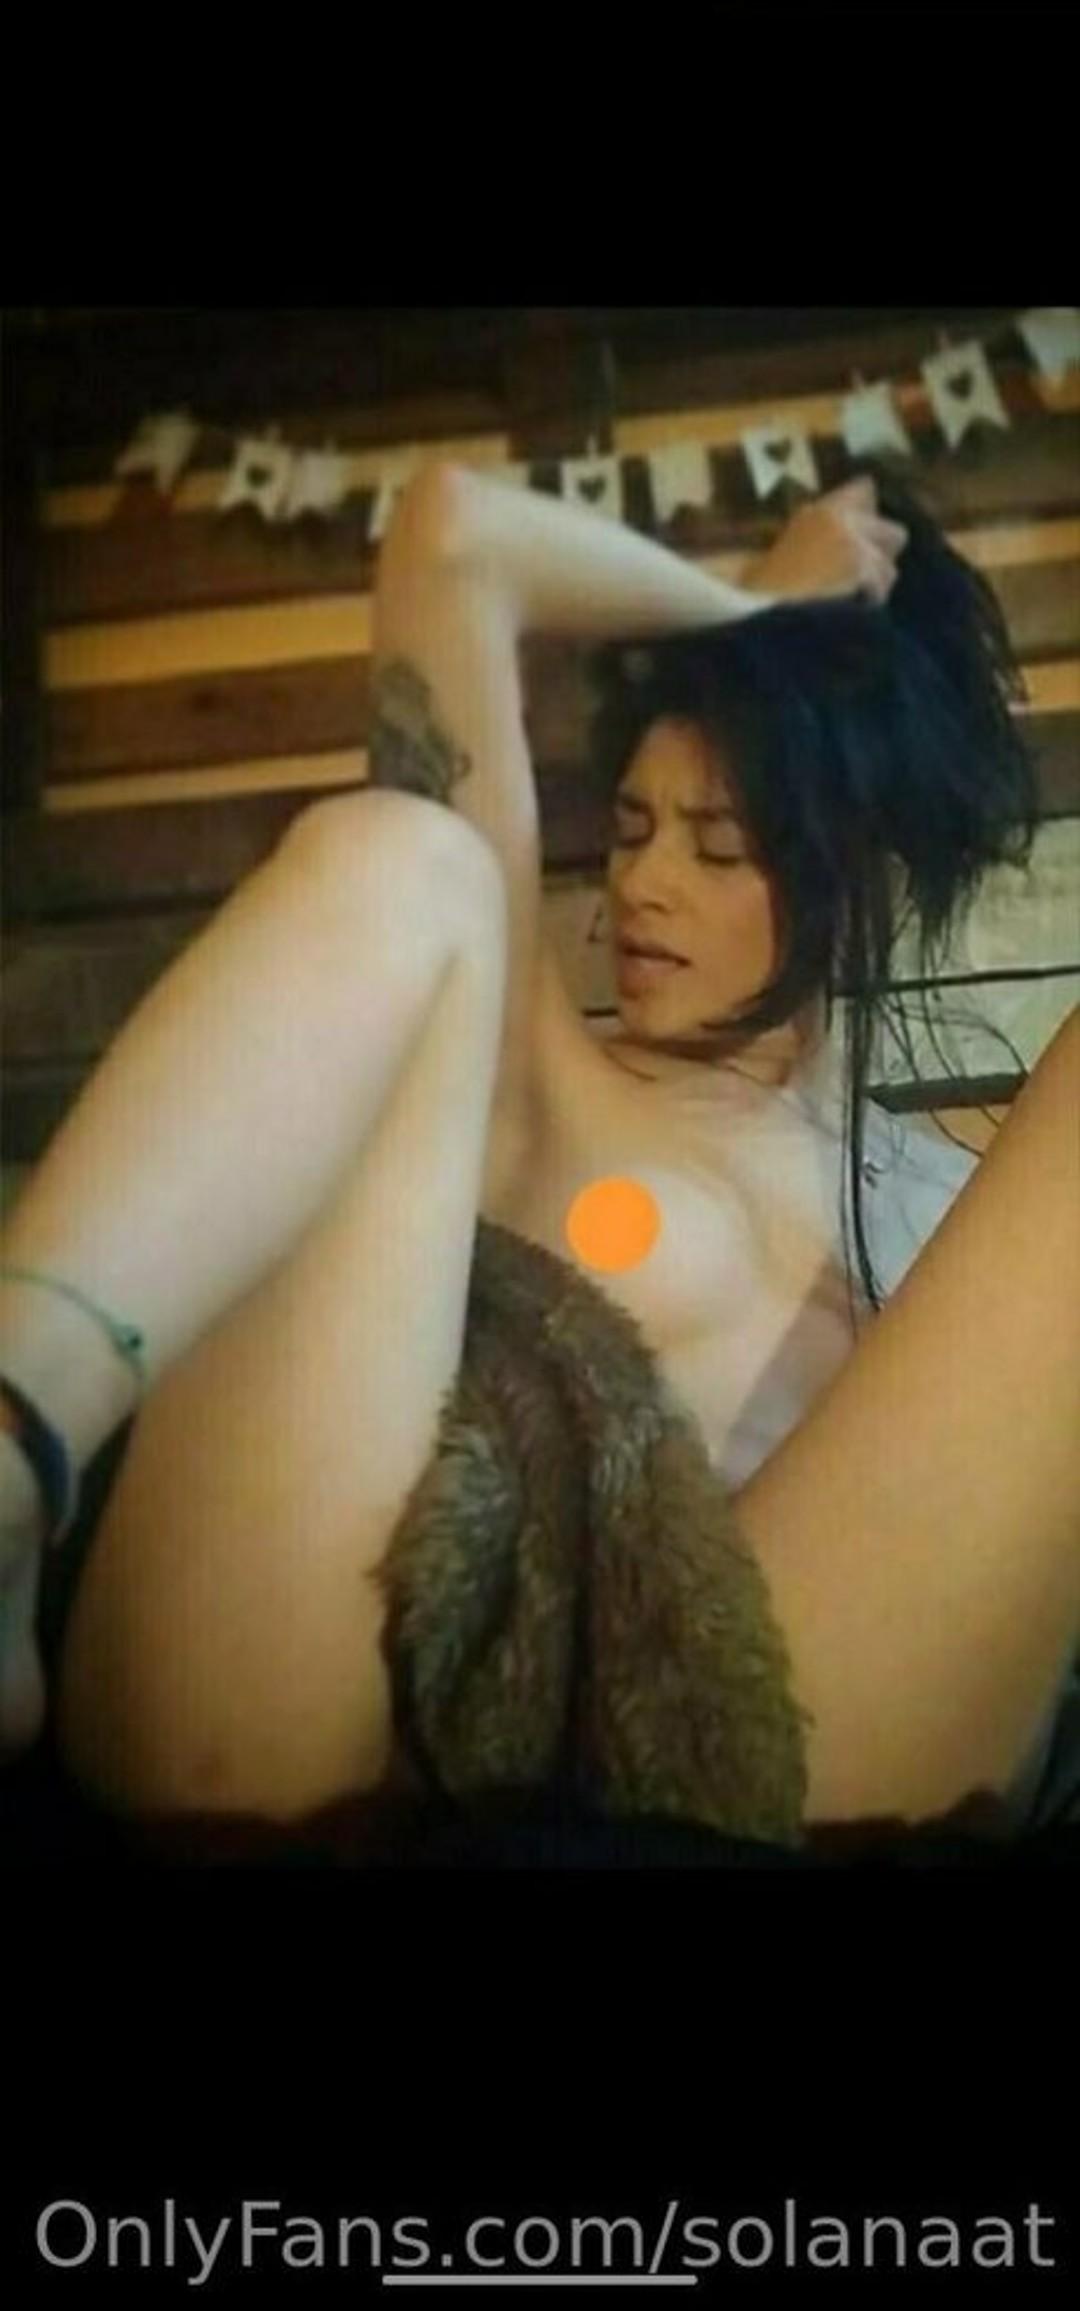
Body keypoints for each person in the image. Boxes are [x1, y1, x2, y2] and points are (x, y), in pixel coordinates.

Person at [1, 463, 1077, 1856]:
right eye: (628, 832)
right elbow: (452, 537)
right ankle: (14, 1443)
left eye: (717, 845)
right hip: (344, 1707)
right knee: (405, 853)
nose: (642, 886)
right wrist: (750, 608)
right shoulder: (532, 1067)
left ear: (850, 871)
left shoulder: (971, 1226)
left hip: (803, 1733)